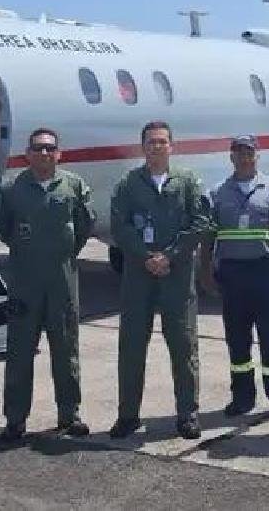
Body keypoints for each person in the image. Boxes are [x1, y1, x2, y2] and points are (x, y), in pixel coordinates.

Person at [109, 120, 211, 440]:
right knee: (132, 348)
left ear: (171, 146)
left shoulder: (188, 181)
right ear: (143, 147)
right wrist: (145, 256)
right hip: (138, 278)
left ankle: (187, 414)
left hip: (176, 278)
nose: (156, 146)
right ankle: (127, 415)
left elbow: (200, 222)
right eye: (150, 142)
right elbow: (120, 226)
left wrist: (169, 256)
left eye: (162, 141)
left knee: (183, 347)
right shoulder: (128, 184)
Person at [0, 128, 95, 442]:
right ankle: (14, 420)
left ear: (59, 153)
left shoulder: (73, 186)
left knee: (66, 351)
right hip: (24, 283)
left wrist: (62, 255)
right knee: (19, 353)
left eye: (50, 148)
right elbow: (4, 228)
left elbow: (83, 226)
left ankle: (69, 414)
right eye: (38, 148)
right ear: (28, 153)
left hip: (62, 282)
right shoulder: (12, 190)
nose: (44, 154)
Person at [198, 134, 269, 421]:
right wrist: (205, 271)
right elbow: (208, 236)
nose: (244, 157)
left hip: (267, 271)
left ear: (257, 155)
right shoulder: (218, 192)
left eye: (249, 152)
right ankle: (242, 397)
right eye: (239, 152)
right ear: (231, 156)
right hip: (233, 272)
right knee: (237, 338)